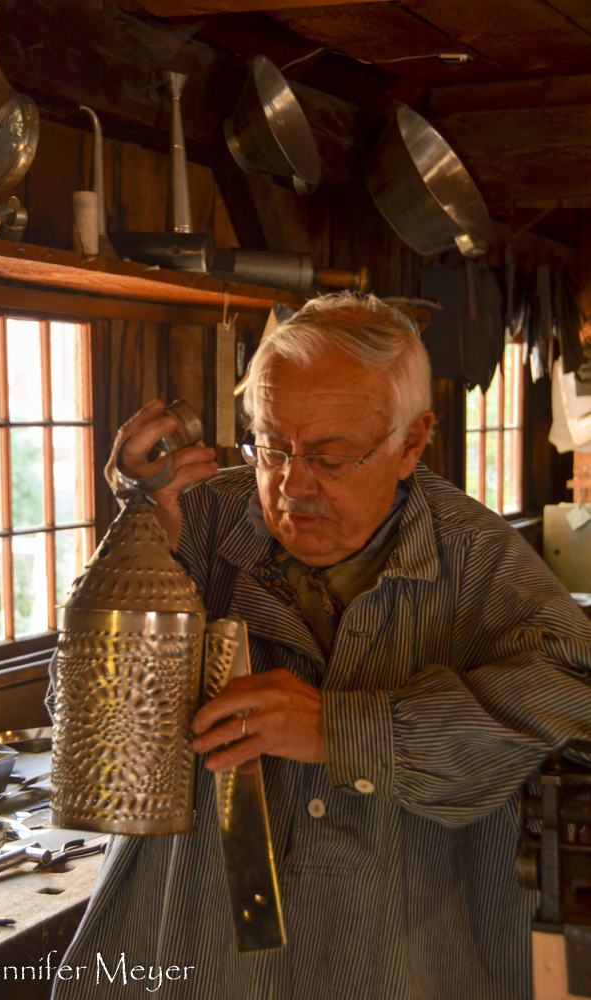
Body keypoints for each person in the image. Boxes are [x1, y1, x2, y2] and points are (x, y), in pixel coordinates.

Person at [51, 293, 591, 1000]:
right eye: (272, 446)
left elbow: (571, 709)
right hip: (191, 961)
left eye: (332, 456)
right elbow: (86, 724)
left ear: (411, 442)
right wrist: (140, 549)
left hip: (405, 965)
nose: (292, 484)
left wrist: (343, 729)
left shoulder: (477, 560)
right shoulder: (196, 520)